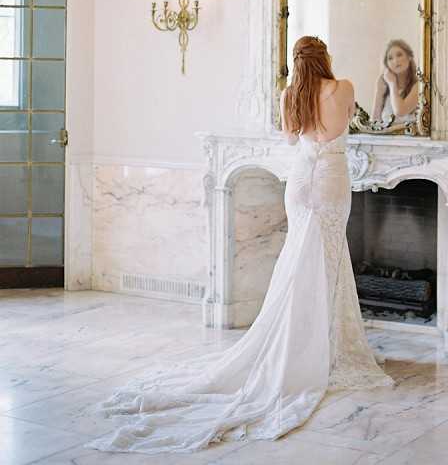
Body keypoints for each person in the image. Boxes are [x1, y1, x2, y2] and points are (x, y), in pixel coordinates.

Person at [84, 35, 391, 455]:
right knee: (328, 261)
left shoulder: (290, 95)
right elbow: (349, 123)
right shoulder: (344, 88)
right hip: (333, 181)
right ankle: (325, 344)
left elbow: (289, 139)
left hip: (301, 181)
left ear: (295, 62)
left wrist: (298, 103)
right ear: (325, 58)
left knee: (297, 261)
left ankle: (300, 339)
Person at [371, 38, 418, 125]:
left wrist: (392, 84)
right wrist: (379, 92)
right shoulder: (384, 86)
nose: (395, 61)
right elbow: (374, 122)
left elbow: (400, 111)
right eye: (390, 58)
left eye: (399, 55)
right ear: (386, 64)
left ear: (409, 57)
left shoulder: (418, 86)